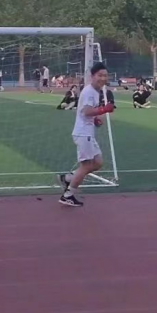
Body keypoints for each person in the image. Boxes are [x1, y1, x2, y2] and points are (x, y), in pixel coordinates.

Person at [58, 62, 115, 207]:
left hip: (87, 133)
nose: (103, 78)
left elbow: (85, 113)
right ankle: (68, 195)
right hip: (84, 134)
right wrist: (104, 109)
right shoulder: (89, 91)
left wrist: (95, 119)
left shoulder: (95, 91)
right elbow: (86, 111)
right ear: (92, 76)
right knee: (86, 165)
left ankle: (68, 178)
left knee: (98, 163)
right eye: (100, 75)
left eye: (105, 75)